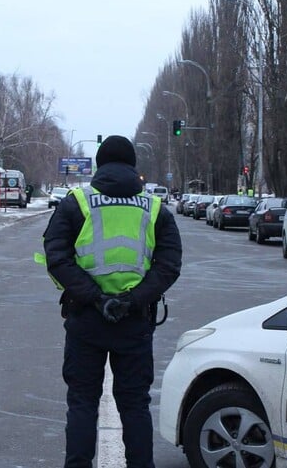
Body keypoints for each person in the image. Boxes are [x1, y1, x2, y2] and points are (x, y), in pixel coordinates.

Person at [41, 135, 182, 468]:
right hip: (133, 321)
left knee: (82, 404)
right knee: (134, 405)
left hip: (86, 318)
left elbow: (56, 256)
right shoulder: (155, 207)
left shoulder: (77, 202)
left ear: (100, 164)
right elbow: (168, 264)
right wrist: (132, 300)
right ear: (133, 166)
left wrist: (95, 298)